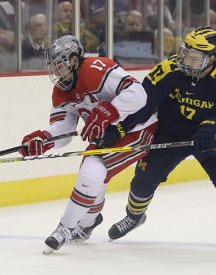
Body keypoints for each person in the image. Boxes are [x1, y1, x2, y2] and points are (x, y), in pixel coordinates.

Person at [108, 27, 216, 252]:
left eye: (195, 57)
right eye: (185, 53)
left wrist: (212, 127)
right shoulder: (168, 70)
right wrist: (121, 127)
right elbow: (144, 103)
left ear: (212, 58)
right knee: (143, 178)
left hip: (209, 136)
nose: (187, 60)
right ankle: (134, 216)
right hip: (170, 132)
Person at [20, 35, 158, 253]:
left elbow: (138, 94)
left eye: (59, 66)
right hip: (108, 137)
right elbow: (63, 132)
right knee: (93, 175)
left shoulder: (97, 68)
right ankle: (86, 224)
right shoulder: (60, 91)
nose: (56, 72)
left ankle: (65, 228)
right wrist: (44, 139)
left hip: (137, 130)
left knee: (91, 171)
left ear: (74, 60)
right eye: (53, 67)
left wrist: (108, 111)